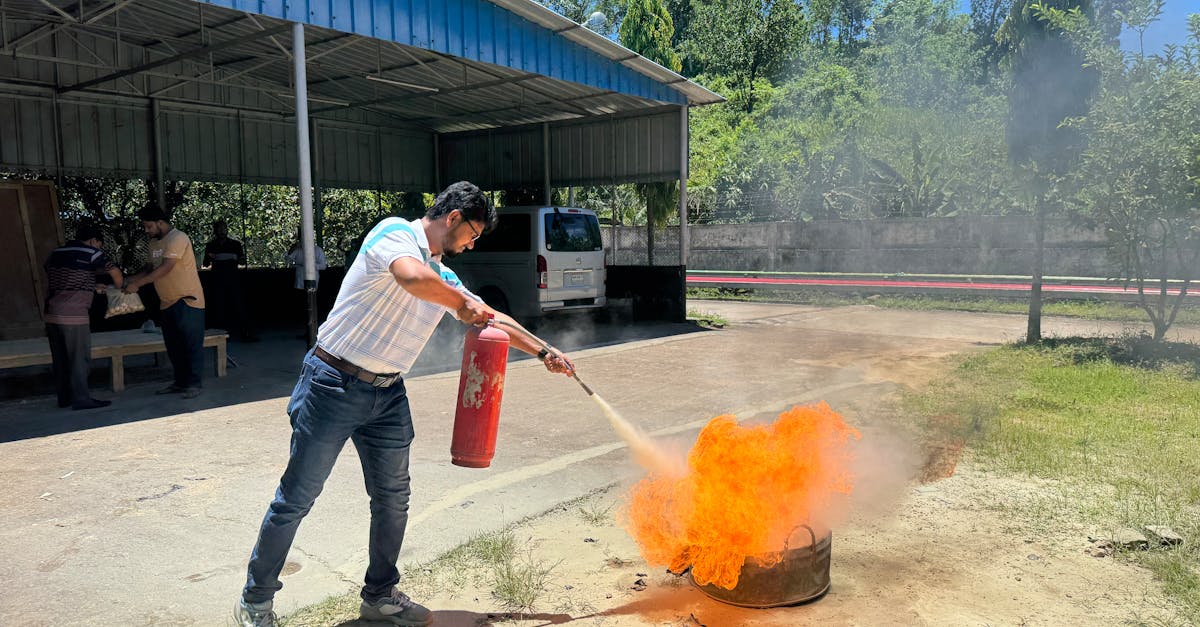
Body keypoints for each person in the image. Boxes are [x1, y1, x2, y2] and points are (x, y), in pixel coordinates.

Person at [234, 181, 576, 627]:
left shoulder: (445, 277)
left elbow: (491, 316)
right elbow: (411, 278)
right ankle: (255, 601)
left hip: (388, 394)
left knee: (393, 498)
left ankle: (379, 596)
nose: (471, 244)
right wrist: (461, 305)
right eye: (472, 232)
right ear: (452, 218)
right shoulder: (394, 233)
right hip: (332, 383)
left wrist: (544, 350)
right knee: (297, 498)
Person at [124, 203, 207, 399]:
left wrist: (139, 284)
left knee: (191, 346)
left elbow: (166, 268)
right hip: (167, 302)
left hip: (188, 301)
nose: (146, 230)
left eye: (149, 226)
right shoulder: (154, 243)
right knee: (174, 347)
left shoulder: (178, 238)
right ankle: (180, 383)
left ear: (160, 222)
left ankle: (194, 384)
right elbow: (149, 269)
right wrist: (129, 280)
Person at [42, 224, 125, 410]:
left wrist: (90, 287)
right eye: (99, 244)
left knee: (61, 359)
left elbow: (64, 278)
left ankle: (64, 398)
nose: (99, 248)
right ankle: (81, 399)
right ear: (94, 241)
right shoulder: (92, 253)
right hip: (73, 315)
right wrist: (120, 289)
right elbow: (115, 272)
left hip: (51, 313)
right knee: (79, 358)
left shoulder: (56, 253)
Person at [203, 219, 255, 342]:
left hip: (233, 278)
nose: (222, 231)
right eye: (219, 229)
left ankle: (245, 333)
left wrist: (235, 258)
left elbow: (242, 261)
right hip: (217, 279)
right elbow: (205, 263)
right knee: (219, 306)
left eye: (224, 228)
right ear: (215, 231)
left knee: (239, 305)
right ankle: (221, 334)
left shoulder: (235, 245)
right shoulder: (211, 245)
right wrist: (212, 257)